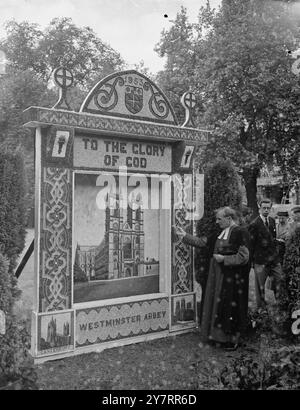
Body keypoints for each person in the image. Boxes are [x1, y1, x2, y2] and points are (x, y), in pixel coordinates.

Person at [174, 206, 251, 350]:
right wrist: (184, 235)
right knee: (215, 304)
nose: (216, 222)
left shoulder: (241, 232)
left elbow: (244, 257)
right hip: (216, 276)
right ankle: (216, 337)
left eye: (219, 219)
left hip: (231, 280)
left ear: (229, 219)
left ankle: (230, 339)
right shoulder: (219, 232)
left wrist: (224, 259)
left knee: (228, 308)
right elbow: (202, 242)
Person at [248, 199, 283, 309]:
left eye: (268, 208)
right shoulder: (254, 224)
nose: (266, 210)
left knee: (279, 280)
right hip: (261, 261)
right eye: (264, 208)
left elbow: (272, 239)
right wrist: (253, 262)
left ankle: (280, 305)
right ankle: (261, 310)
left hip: (274, 260)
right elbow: (250, 245)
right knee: (260, 287)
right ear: (260, 208)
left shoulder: (272, 221)